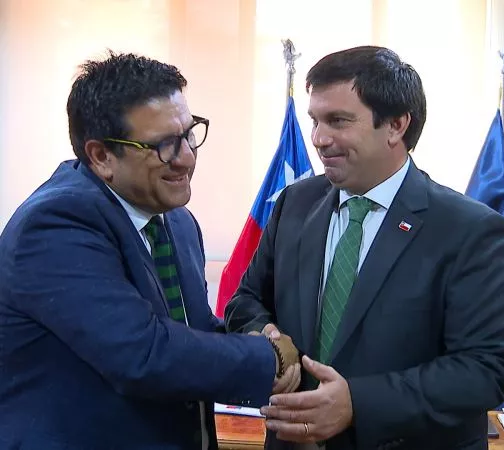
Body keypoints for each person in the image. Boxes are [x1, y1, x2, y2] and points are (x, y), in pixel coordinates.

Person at [225, 46, 504, 450]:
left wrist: (357, 403)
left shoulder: (470, 230)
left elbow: (485, 370)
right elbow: (245, 300)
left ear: (396, 125)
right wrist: (267, 335)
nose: (319, 139)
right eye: (314, 121)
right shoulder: (294, 204)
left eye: (338, 121)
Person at [0, 52, 300, 450]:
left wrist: (256, 335)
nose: (186, 158)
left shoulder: (175, 220)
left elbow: (187, 330)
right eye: (164, 145)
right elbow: (144, 354)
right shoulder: (56, 224)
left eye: (189, 134)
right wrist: (267, 358)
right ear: (101, 156)